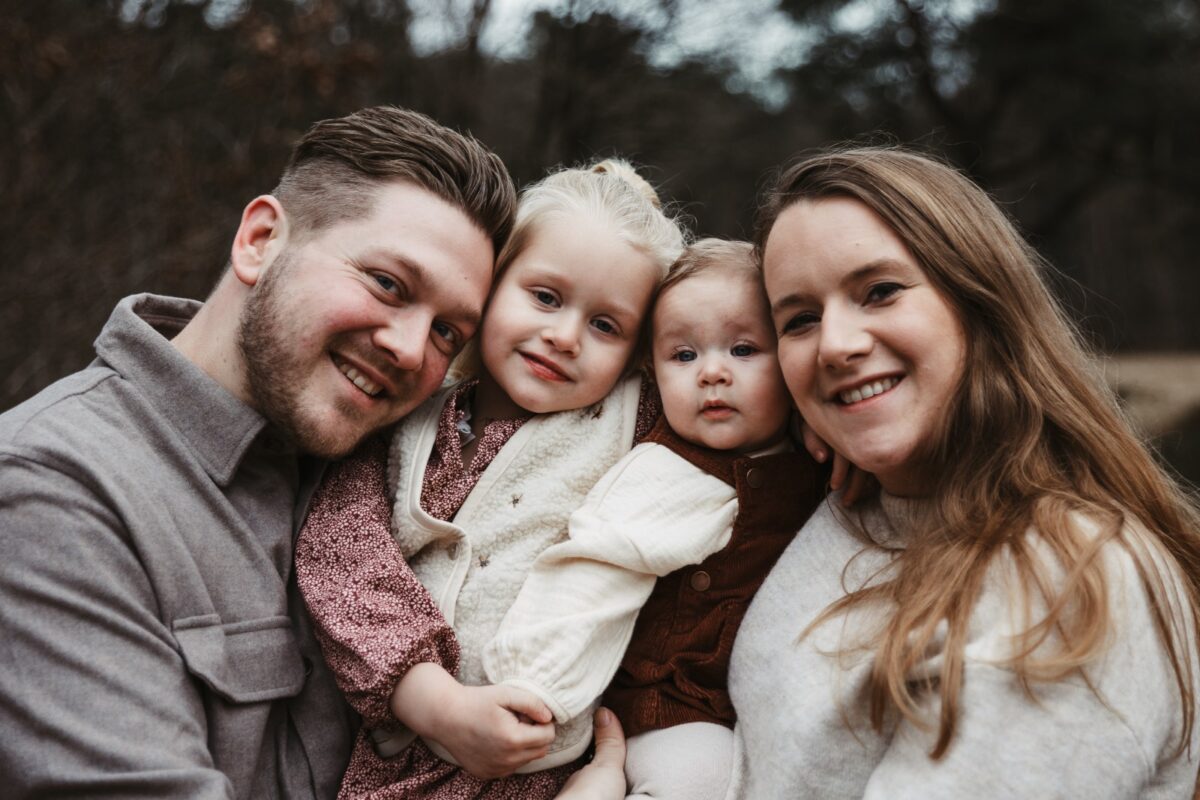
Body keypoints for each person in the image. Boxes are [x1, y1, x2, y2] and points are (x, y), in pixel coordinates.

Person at [0, 105, 515, 798]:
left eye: (449, 334)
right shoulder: (50, 490)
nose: (411, 348)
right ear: (262, 239)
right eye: (388, 284)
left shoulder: (406, 481)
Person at [724, 146, 1200, 797]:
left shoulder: (1073, 577)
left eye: (880, 292)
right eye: (800, 320)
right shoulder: (838, 501)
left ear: (979, 300)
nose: (835, 344)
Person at [294, 159, 687, 799]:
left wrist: (804, 427)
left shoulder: (633, 417)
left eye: (605, 325)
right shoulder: (411, 413)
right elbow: (341, 553)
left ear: (639, 349)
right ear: (492, 285)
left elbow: (728, 374)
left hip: (545, 766)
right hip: (408, 746)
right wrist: (431, 700)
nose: (563, 337)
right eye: (545, 297)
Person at [482, 238, 825, 800]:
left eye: (743, 349)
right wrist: (533, 684)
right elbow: (592, 569)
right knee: (700, 777)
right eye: (683, 356)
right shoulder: (667, 470)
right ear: (652, 368)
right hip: (663, 708)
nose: (711, 372)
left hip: (751, 708)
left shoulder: (807, 452)